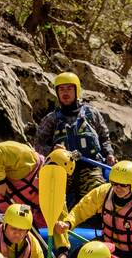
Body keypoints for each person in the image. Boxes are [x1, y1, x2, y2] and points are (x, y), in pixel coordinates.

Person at [34, 72, 114, 205]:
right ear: (57, 93)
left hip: (91, 166)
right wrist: (52, 150)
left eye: (69, 88)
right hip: (62, 169)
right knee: (56, 199)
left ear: (76, 91)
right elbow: (38, 145)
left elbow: (104, 137)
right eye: (61, 89)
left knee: (100, 195)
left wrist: (109, 154)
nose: (65, 93)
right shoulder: (50, 119)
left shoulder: (91, 114)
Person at [0, 142, 75, 231]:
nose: (53, 179)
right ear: (47, 163)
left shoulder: (55, 192)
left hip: (15, 216)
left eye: (59, 177)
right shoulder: (28, 159)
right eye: (52, 172)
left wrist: (62, 249)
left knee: (29, 241)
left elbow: (58, 217)